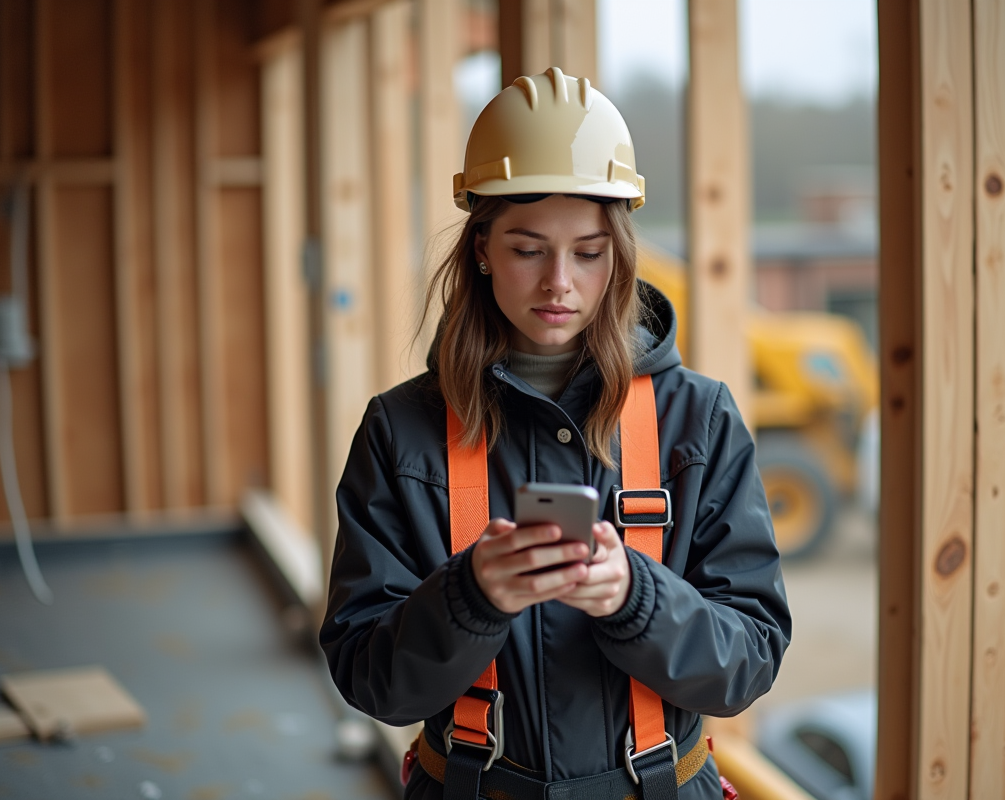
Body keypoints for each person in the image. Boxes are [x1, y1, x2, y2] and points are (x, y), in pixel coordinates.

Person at [321, 67, 790, 800]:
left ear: (620, 253)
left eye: (589, 252)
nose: (559, 284)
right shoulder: (401, 433)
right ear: (481, 247)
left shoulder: (698, 421)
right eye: (528, 248)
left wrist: (637, 599)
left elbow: (750, 659)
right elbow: (369, 678)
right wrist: (469, 598)